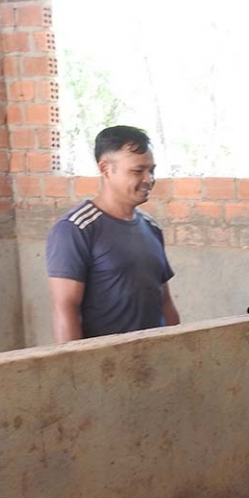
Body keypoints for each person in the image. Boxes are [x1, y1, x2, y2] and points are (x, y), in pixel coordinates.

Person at [46, 125, 180, 342]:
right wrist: (76, 369)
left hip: (154, 360)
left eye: (151, 170)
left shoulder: (151, 227)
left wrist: (178, 348)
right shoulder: (75, 229)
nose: (149, 179)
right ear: (106, 169)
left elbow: (164, 301)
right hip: (106, 366)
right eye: (138, 171)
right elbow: (65, 308)